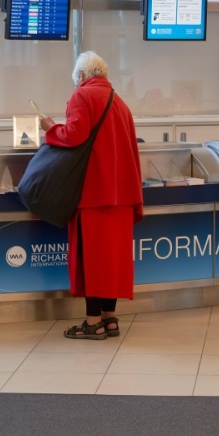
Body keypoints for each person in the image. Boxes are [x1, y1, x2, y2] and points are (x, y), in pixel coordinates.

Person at [38, 52, 144, 341]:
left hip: (93, 195)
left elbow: (74, 135)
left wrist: (50, 127)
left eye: (76, 79)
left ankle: (92, 322)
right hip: (121, 195)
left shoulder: (82, 97)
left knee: (92, 261)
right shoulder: (120, 103)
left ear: (82, 76)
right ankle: (110, 320)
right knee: (112, 261)